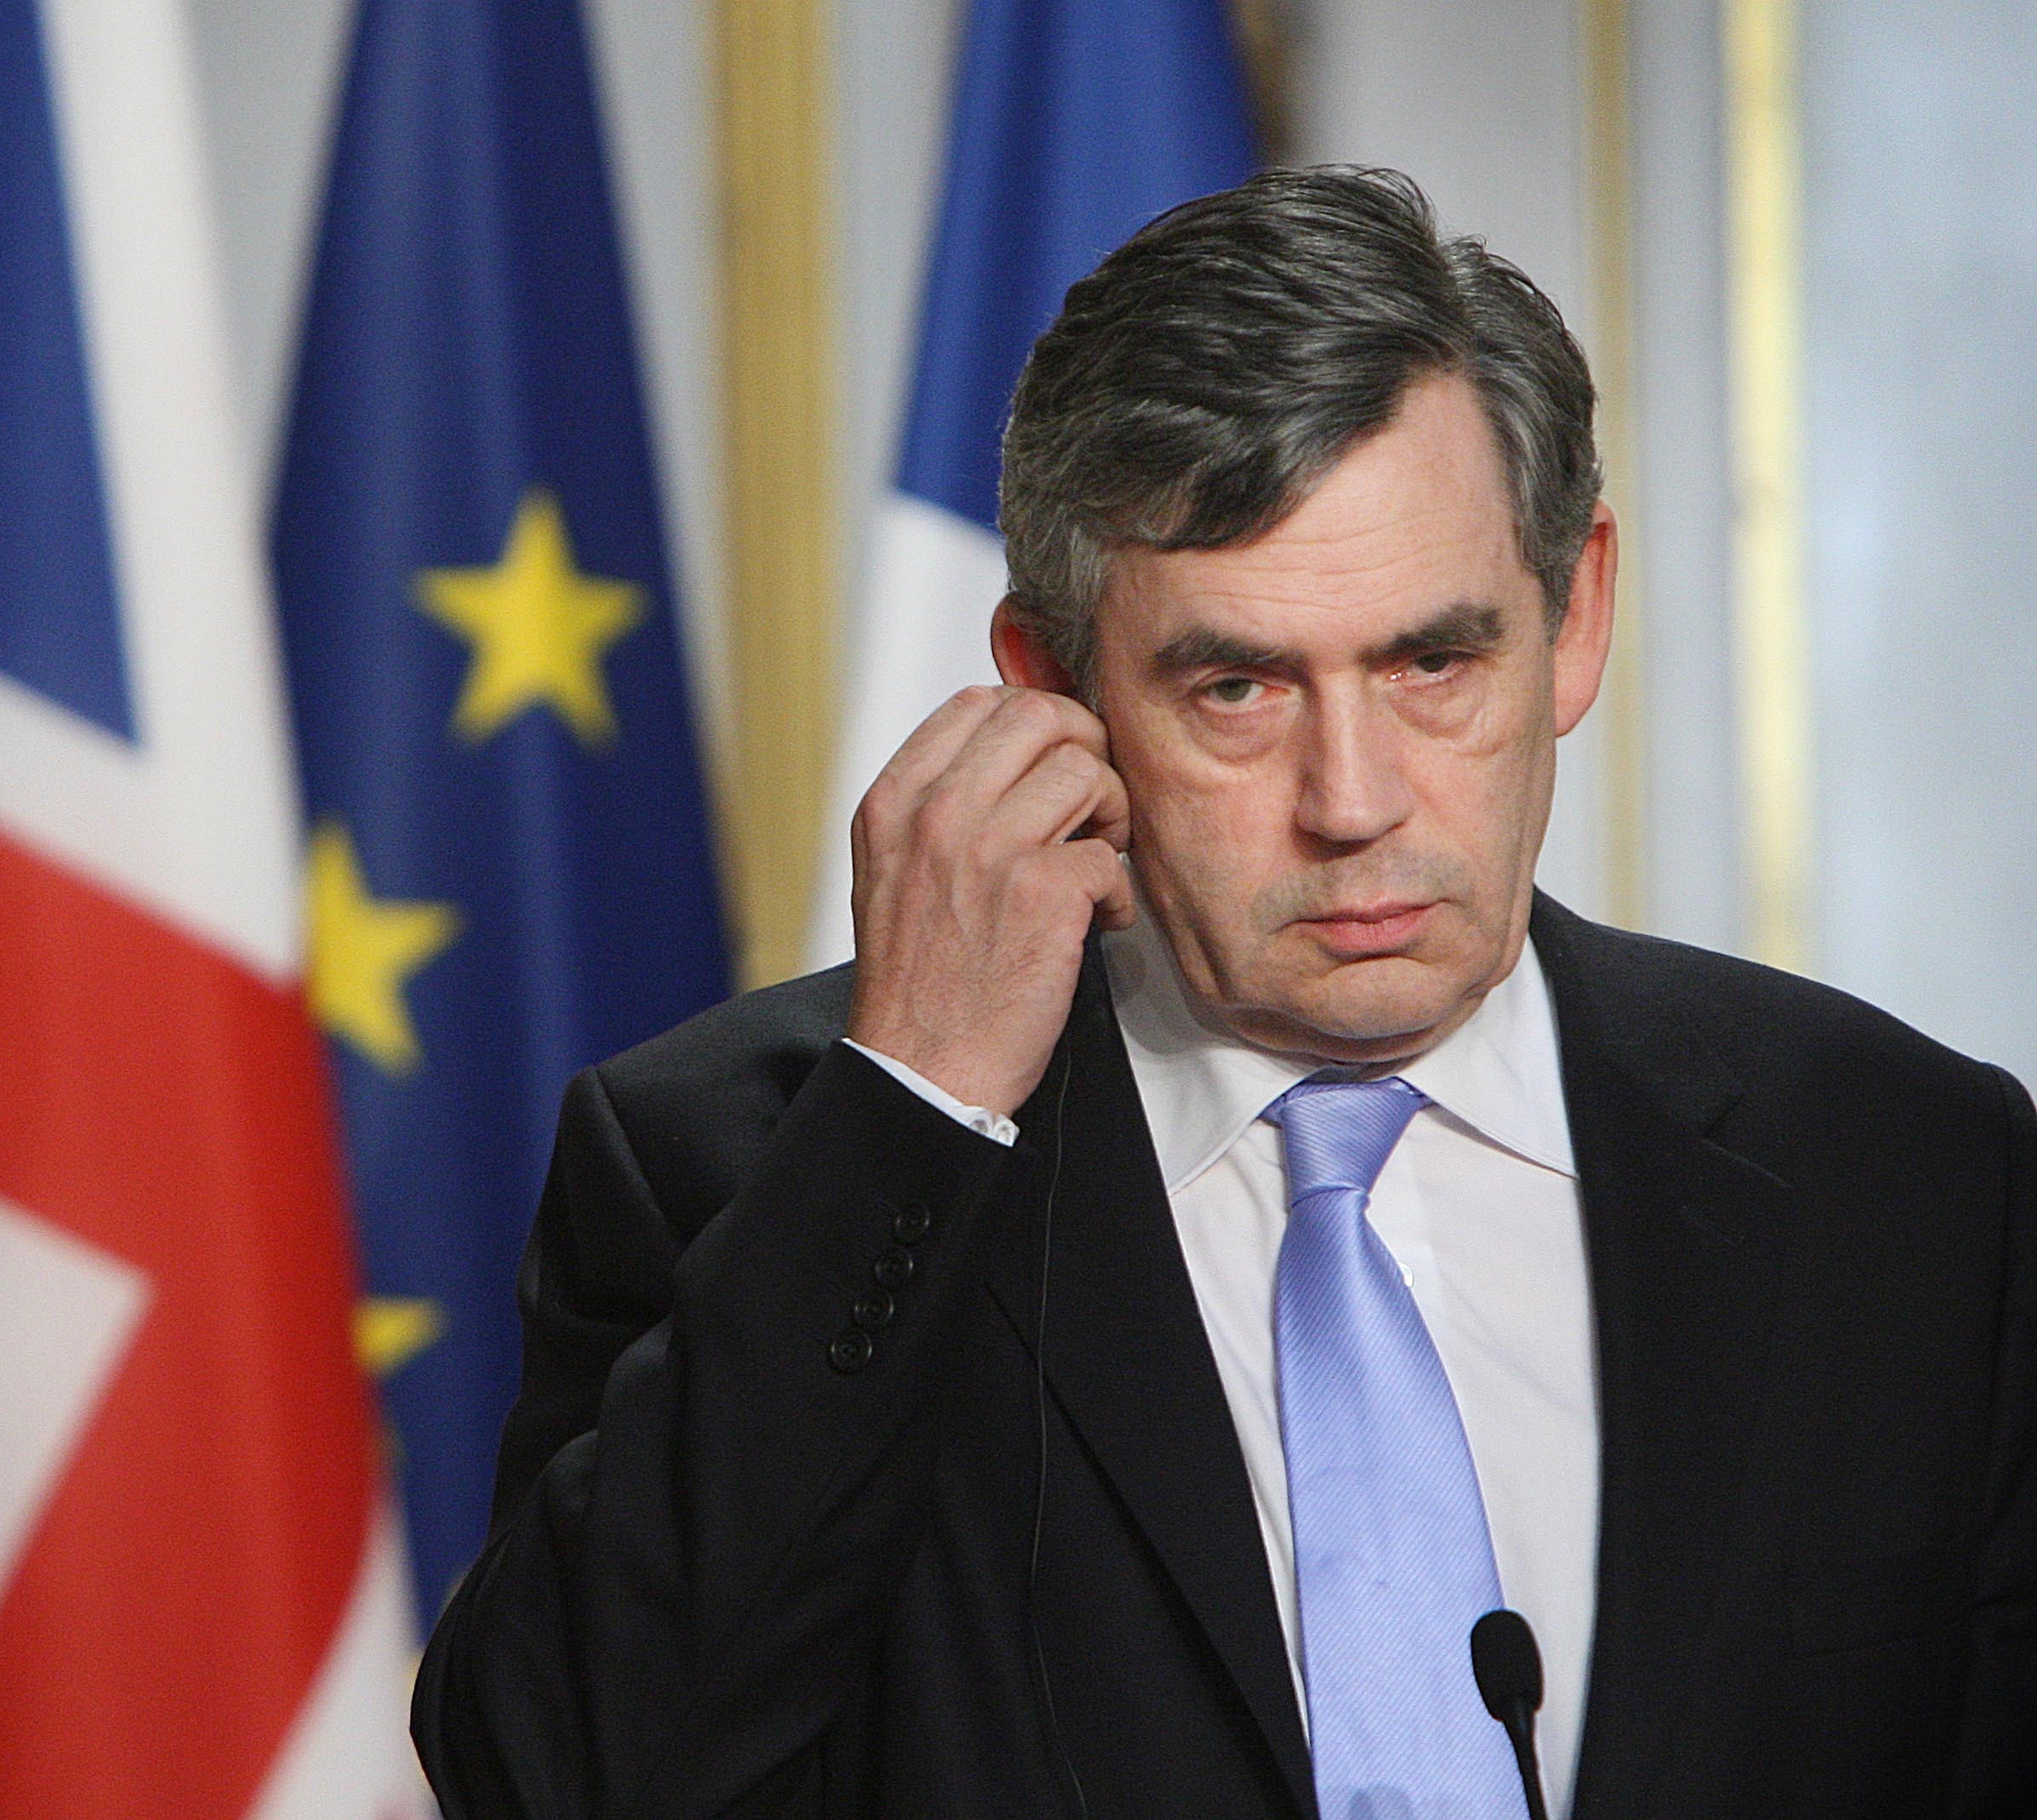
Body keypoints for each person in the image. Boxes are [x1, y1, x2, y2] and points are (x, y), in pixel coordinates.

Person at [410, 168, 2037, 1819]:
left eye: (1433, 662)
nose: (1355, 800)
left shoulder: (1911, 1173)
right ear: (1051, 689)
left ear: (1576, 615)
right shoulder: (743, 1166)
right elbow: (555, 1781)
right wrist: (915, 1111)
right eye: (1240, 688)